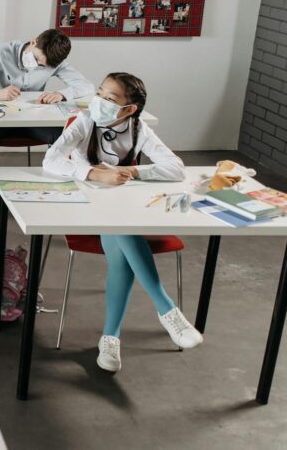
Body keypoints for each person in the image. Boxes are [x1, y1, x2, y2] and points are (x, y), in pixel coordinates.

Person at [43, 72, 203, 373]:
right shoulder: (86, 121)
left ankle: (111, 338)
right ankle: (166, 309)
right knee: (123, 230)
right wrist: (93, 174)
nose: (100, 101)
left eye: (110, 99)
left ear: (129, 109)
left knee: (121, 245)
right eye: (100, 93)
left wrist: (134, 173)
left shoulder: (138, 128)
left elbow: (175, 168)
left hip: (119, 209)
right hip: (83, 205)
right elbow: (50, 160)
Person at [0, 28, 93, 229]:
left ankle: (55, 194)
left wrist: (61, 94)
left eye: (44, 66)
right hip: (0, 117)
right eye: (39, 60)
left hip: (33, 119)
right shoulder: (2, 52)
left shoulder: (54, 59)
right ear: (33, 42)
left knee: (65, 136)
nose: (39, 66)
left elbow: (87, 86)